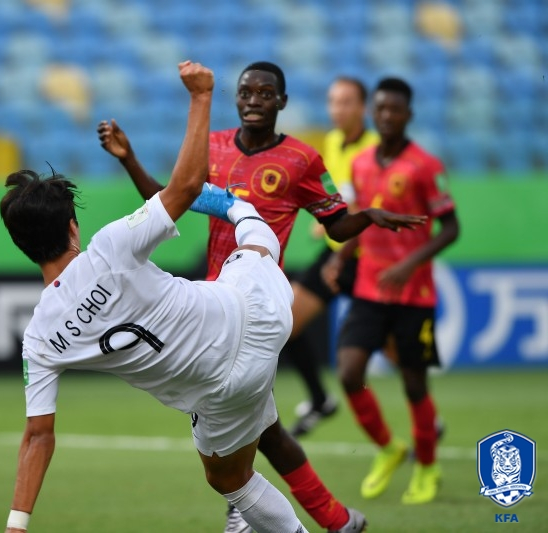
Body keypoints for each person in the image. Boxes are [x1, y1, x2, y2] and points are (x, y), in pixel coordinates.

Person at [98, 61, 425, 533]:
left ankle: (247, 513)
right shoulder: (211, 147)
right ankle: (333, 520)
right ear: (236, 100)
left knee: (236, 419)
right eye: (246, 92)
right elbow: (166, 200)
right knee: (263, 428)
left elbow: (335, 225)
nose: (254, 100)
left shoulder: (303, 160)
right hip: (213, 305)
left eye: (265, 93)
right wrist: (129, 159)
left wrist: (368, 216)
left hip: (257, 307)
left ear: (282, 102)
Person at [2, 61, 311, 533]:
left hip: (220, 389)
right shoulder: (110, 246)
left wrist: (16, 526)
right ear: (72, 227)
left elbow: (37, 437)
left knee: (230, 480)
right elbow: (185, 188)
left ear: (22, 248)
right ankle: (238, 206)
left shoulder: (41, 340)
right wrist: (202, 95)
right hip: (258, 315)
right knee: (250, 232)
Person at [326, 77, 460, 505]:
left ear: (408, 115)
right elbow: (363, 221)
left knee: (414, 386)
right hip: (369, 288)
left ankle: (426, 465)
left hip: (413, 295)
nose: (386, 116)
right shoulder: (362, 163)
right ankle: (388, 448)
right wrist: (339, 258)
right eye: (380, 109)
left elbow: (452, 227)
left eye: (394, 110)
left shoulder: (425, 165)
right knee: (349, 373)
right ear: (374, 112)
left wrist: (410, 262)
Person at [284, 77, 380, 438]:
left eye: (345, 102)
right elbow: (339, 197)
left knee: (398, 349)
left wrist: (342, 214)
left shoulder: (376, 148)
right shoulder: (333, 142)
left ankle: (427, 422)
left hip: (370, 256)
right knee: (286, 321)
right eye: (333, 102)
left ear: (363, 108)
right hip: (338, 252)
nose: (337, 109)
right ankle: (320, 399)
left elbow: (371, 204)